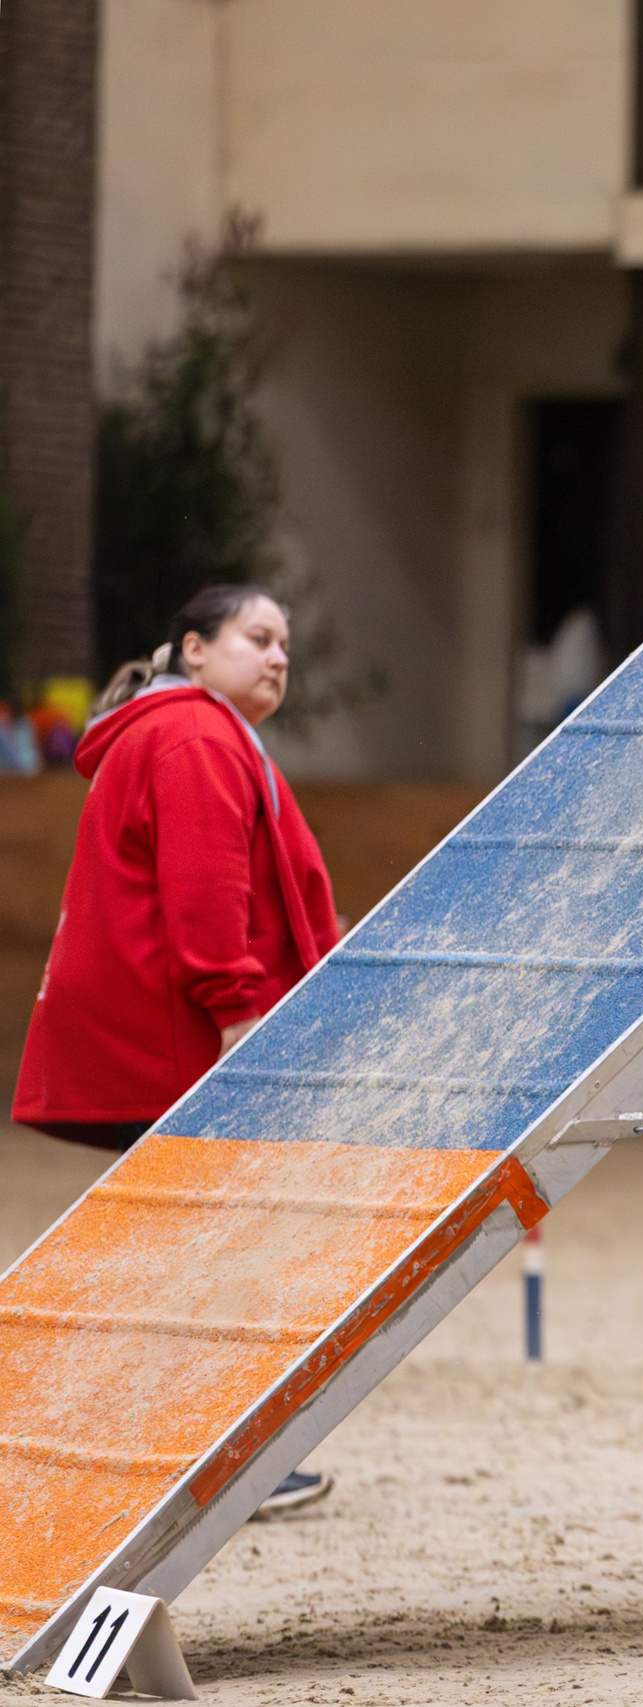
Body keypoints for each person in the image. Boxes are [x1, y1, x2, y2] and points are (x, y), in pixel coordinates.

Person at [11, 584, 339, 1517]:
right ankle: (217, 1459)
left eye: (286, 644)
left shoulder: (190, 732)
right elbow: (204, 892)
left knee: (196, 1244)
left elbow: (250, 889)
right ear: (192, 648)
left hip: (153, 1024)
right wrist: (239, 1011)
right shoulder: (196, 734)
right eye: (256, 636)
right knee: (219, 1250)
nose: (278, 656)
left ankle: (175, 1448)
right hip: (175, 1035)